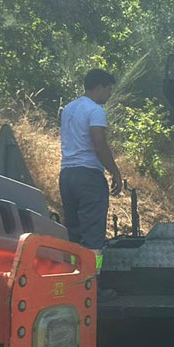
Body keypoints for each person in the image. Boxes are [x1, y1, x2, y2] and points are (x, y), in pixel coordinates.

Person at [60, 69, 122, 270]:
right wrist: (114, 171)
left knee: (74, 234)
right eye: (109, 89)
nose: (110, 94)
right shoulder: (95, 110)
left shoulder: (68, 109)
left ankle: (71, 281)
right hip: (88, 176)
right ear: (100, 87)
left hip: (67, 174)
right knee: (93, 237)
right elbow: (99, 145)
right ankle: (92, 283)